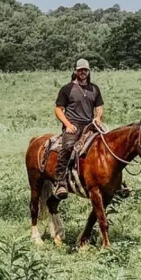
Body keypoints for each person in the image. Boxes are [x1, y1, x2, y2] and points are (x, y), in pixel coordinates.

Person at [53, 58, 104, 200]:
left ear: (88, 71)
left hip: (90, 124)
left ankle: (113, 181)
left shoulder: (94, 89)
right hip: (73, 125)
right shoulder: (67, 89)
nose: (83, 72)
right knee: (68, 147)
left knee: (105, 144)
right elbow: (58, 109)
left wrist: (98, 118)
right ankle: (60, 181)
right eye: (80, 70)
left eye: (85, 70)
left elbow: (99, 107)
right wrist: (68, 125)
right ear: (75, 71)